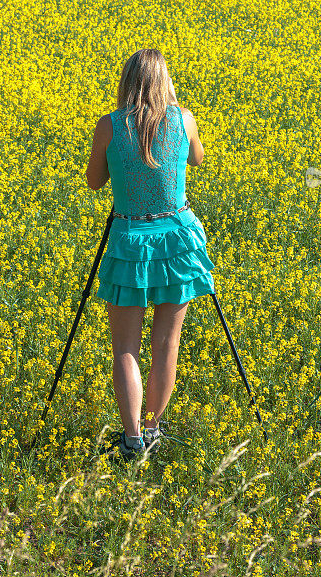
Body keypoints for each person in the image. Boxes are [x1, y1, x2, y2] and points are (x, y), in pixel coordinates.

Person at [85, 49, 215, 462]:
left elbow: (93, 182)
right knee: (166, 343)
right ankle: (153, 428)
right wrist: (176, 111)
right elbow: (198, 159)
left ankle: (132, 439)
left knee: (126, 347)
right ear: (166, 82)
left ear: (127, 81)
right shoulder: (183, 120)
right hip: (178, 239)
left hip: (130, 240)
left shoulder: (110, 126)